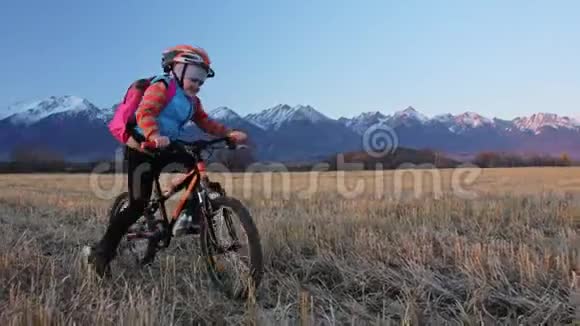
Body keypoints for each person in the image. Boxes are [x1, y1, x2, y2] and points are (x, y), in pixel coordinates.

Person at [87, 44, 247, 277]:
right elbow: (145, 113)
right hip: (142, 147)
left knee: (194, 164)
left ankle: (188, 216)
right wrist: (152, 135)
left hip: (167, 145)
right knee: (137, 204)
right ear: (176, 69)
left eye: (202, 80)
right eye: (194, 77)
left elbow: (205, 122)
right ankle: (101, 253)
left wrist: (227, 133)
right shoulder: (162, 87)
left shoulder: (193, 101)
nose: (198, 84)